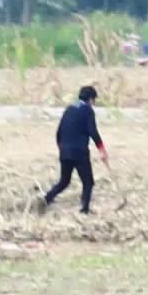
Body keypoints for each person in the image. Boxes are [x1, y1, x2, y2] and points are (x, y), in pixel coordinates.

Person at [38, 86, 108, 215]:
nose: (93, 104)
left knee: (64, 181)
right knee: (88, 182)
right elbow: (93, 131)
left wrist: (62, 148)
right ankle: (84, 209)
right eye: (94, 101)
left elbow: (59, 132)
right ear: (91, 99)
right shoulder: (88, 111)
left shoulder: (69, 109)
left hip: (64, 151)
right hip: (79, 152)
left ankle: (47, 199)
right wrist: (102, 149)